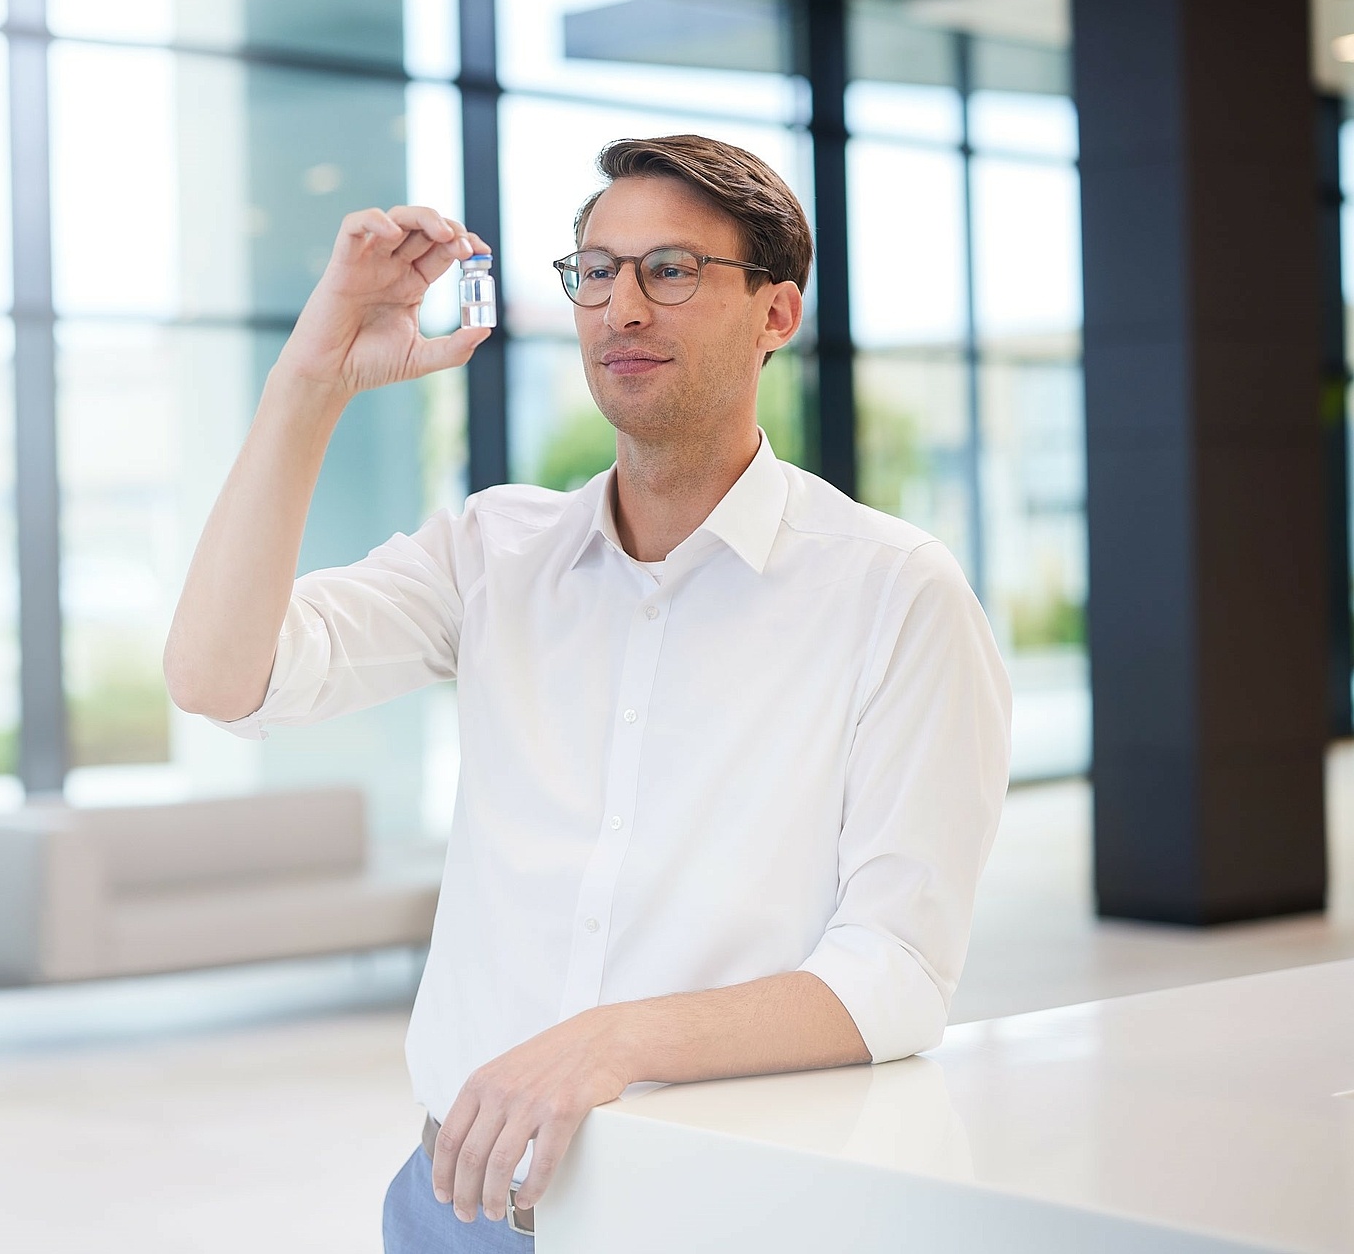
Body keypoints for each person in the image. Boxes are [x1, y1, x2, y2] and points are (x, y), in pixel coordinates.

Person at [162, 135, 1011, 1252]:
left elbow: (895, 971)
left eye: (670, 269)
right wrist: (309, 379)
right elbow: (224, 679)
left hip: (716, 1216)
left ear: (776, 314)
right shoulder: (490, 551)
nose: (621, 306)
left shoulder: (893, 592)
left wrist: (613, 1040)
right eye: (596, 271)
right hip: (455, 1205)